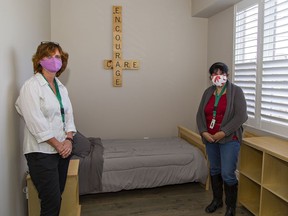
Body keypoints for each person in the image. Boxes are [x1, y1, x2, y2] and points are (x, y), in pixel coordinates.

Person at [15, 41, 76, 216]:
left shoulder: (61, 87)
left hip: (62, 151)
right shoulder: (31, 87)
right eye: (49, 56)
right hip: (41, 153)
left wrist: (69, 140)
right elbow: (36, 122)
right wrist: (59, 145)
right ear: (39, 60)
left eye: (57, 57)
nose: (54, 60)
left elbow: (69, 116)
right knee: (51, 201)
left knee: (57, 197)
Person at [196, 62, 247, 216]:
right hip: (210, 139)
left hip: (229, 139)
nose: (217, 76)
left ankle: (231, 207)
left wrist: (223, 132)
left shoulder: (236, 92)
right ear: (211, 76)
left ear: (227, 75)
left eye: (221, 72)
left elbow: (241, 116)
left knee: (227, 173)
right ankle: (217, 201)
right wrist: (204, 132)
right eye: (214, 73)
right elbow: (200, 115)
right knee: (215, 169)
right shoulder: (208, 92)